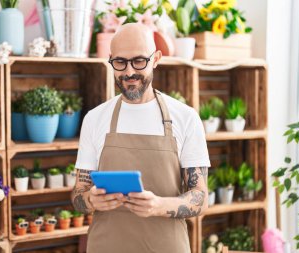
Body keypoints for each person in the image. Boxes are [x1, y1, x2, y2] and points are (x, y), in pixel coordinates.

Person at [71, 23, 210, 253]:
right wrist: (91, 201)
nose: (128, 72)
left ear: (156, 59)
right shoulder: (94, 119)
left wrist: (158, 206)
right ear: (111, 60)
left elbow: (200, 198)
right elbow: (78, 193)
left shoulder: (186, 118)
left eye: (138, 61)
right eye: (120, 62)